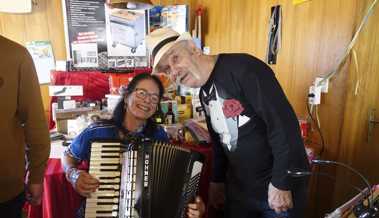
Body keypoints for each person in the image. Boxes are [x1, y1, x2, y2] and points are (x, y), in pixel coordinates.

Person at [146, 28, 310, 218]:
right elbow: (219, 142)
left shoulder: (244, 69)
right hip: (241, 191)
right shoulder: (203, 93)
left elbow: (283, 125)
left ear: (193, 48)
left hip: (275, 188)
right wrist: (217, 181)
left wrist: (281, 182)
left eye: (175, 58)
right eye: (167, 69)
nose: (174, 71)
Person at [62, 73, 205, 218]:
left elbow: (173, 182)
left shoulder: (159, 134)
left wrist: (192, 206)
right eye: (141, 93)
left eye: (154, 98)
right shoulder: (98, 131)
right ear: (126, 97)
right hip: (101, 210)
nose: (147, 100)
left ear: (156, 107)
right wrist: (74, 175)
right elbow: (68, 156)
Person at [0, 36, 51, 217]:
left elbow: (34, 123)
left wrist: (36, 175)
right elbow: (35, 122)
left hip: (5, 190)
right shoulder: (16, 55)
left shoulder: (15, 56)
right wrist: (36, 177)